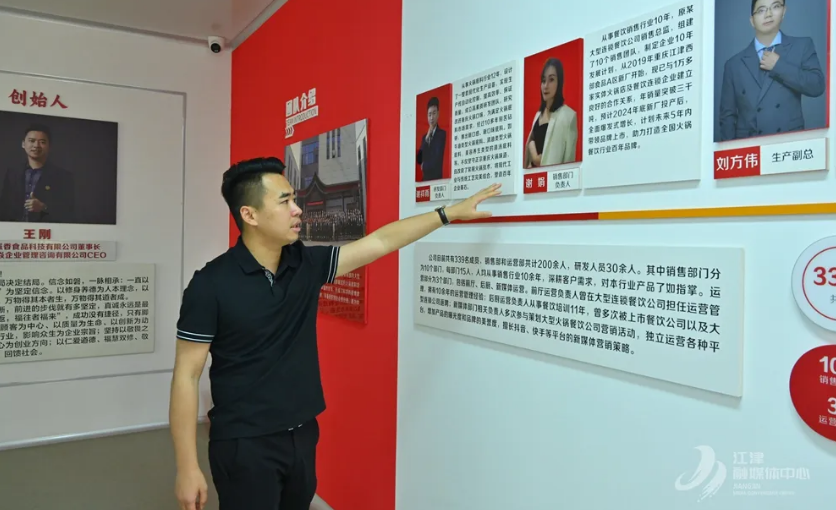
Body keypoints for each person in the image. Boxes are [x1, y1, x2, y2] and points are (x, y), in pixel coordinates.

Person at [169, 156, 500, 510]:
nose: (297, 209)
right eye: (284, 201)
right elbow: (187, 376)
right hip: (244, 443)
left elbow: (381, 242)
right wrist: (187, 467)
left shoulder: (304, 265)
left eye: (294, 198)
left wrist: (448, 214)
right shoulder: (210, 285)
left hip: (302, 434)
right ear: (249, 215)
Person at [717, 0, 825, 141]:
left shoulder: (802, 46)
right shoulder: (733, 64)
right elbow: (727, 117)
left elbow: (817, 86)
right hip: (750, 147)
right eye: (761, 10)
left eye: (775, 6)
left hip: (788, 144)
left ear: (783, 11)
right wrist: (731, 150)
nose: (768, 14)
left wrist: (778, 65)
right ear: (752, 20)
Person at [0, 124, 75, 223]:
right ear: (23, 144)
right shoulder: (12, 173)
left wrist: (43, 207)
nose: (36, 145)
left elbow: (69, 211)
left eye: (42, 142)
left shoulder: (63, 177)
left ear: (49, 146)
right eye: (32, 141)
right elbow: (4, 206)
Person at [524, 57, 578, 168]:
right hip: (533, 177)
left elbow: (569, 162)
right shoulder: (537, 115)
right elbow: (531, 144)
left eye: (551, 80)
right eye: (543, 80)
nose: (546, 86)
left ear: (559, 82)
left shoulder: (569, 116)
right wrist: (534, 156)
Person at [415, 96, 447, 181]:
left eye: (434, 113)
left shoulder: (442, 134)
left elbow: (436, 160)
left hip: (436, 180)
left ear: (438, 114)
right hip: (425, 180)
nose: (431, 117)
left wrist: (423, 166)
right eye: (429, 114)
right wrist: (427, 138)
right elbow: (419, 159)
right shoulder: (424, 137)